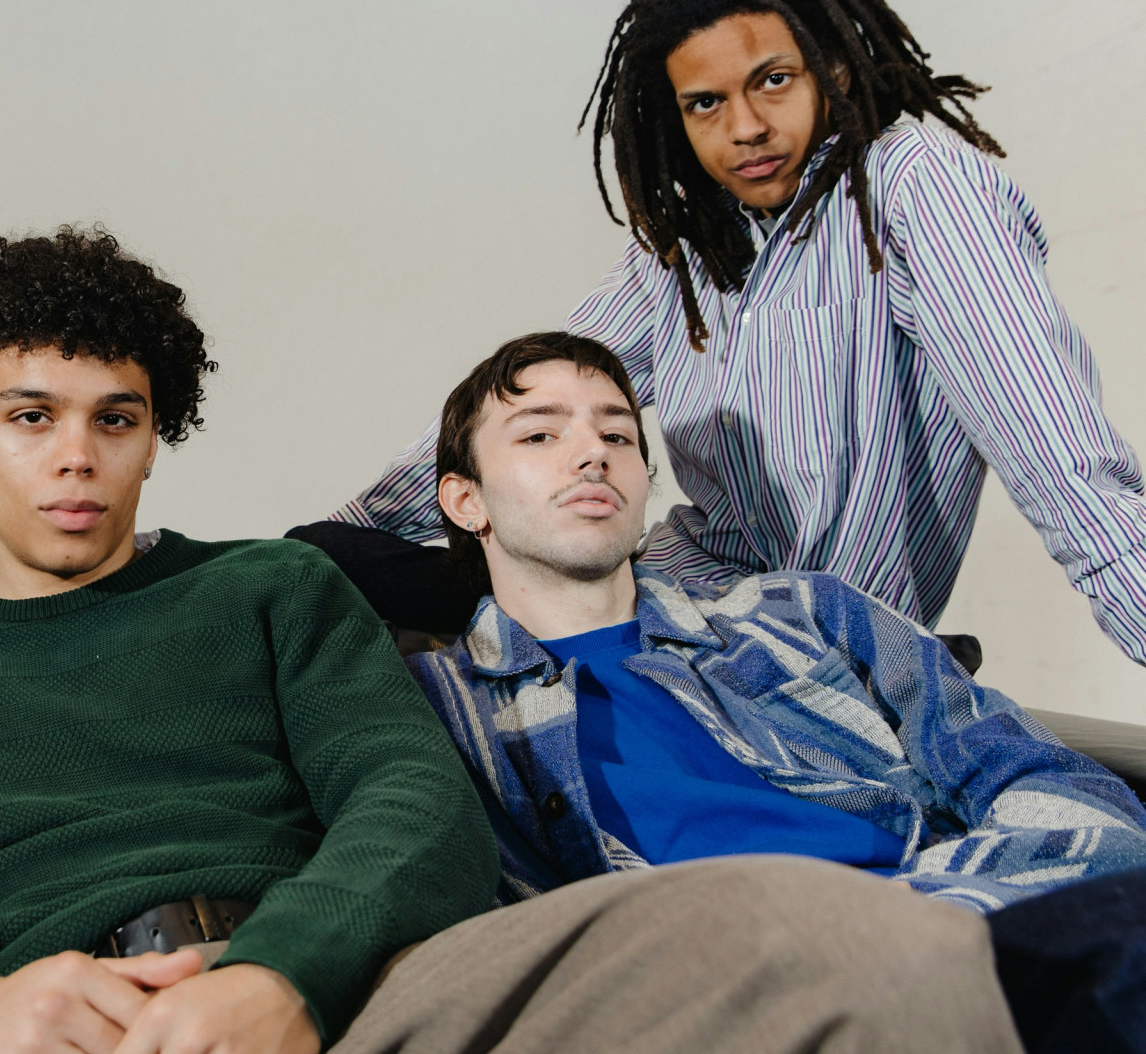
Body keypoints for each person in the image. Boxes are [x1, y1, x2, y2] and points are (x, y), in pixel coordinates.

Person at [0, 228, 1018, 1054]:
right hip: (45, 1014)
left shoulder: (268, 587)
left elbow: (413, 800)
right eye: (31, 416)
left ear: (157, 434)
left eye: (118, 418)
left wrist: (280, 971)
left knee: (831, 936)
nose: (76, 456)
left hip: (345, 988)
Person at [329, 0, 1146, 666]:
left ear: (830, 68)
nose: (746, 127)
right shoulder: (688, 248)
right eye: (706, 103)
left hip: (808, 647)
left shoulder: (916, 191)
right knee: (328, 567)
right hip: (662, 601)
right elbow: (514, 405)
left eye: (774, 80)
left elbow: (1066, 467)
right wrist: (347, 535)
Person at [409, 330, 1146, 1051]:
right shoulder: (432, 712)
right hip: (728, 997)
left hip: (968, 929)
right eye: (539, 435)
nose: (593, 453)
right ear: (466, 501)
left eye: (619, 435)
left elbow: (1053, 782)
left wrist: (927, 910)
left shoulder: (805, 612)